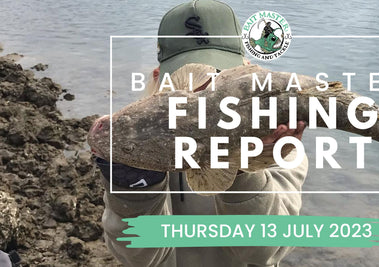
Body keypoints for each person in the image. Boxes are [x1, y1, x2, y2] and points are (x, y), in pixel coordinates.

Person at [95, 1, 308, 266]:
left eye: (220, 77)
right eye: (187, 79)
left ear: (247, 73)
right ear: (158, 79)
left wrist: (243, 169)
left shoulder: (279, 142)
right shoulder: (136, 142)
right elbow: (140, 257)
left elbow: (263, 251)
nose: (204, 88)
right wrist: (134, 188)